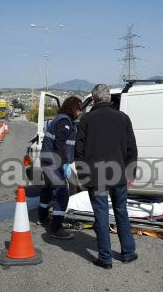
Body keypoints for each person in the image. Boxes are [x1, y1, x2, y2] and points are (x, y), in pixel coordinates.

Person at [75, 84, 138, 269]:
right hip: (119, 175)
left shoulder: (86, 119)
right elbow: (131, 149)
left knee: (101, 216)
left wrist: (83, 175)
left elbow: (78, 152)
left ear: (94, 99)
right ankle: (127, 253)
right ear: (109, 98)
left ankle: (105, 258)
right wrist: (130, 173)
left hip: (96, 177)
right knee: (121, 212)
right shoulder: (123, 118)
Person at [38, 96, 82, 239]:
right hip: (54, 162)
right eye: (78, 109)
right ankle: (56, 228)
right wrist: (63, 164)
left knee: (48, 189)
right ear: (72, 108)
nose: (80, 112)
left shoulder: (60, 119)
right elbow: (60, 146)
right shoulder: (64, 122)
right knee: (62, 194)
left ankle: (43, 217)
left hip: (47, 160)